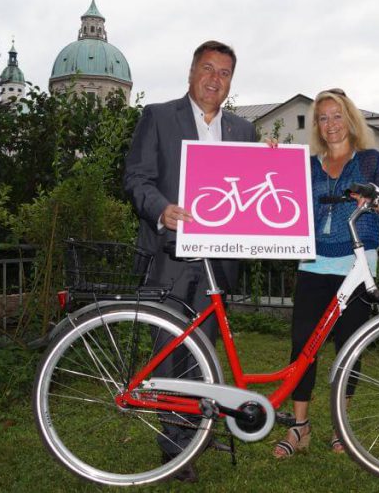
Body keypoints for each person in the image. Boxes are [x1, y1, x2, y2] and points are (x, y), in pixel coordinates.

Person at [123, 40, 256, 482]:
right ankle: (174, 446)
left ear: (230, 82)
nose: (215, 79)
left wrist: (274, 162)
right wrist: (161, 209)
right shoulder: (159, 117)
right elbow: (136, 178)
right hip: (169, 256)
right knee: (169, 353)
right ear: (192, 72)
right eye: (208, 68)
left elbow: (252, 187)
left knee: (204, 353)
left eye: (224, 73)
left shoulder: (243, 130)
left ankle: (195, 428)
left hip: (218, 261)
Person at [272, 88, 379, 458]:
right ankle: (299, 427)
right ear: (317, 125)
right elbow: (279, 196)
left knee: (349, 347)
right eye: (323, 118)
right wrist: (270, 160)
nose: (330, 124)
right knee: (303, 344)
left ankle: (340, 427)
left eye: (336, 116)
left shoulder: (370, 162)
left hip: (356, 264)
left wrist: (378, 204)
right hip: (313, 262)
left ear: (349, 119)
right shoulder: (309, 165)